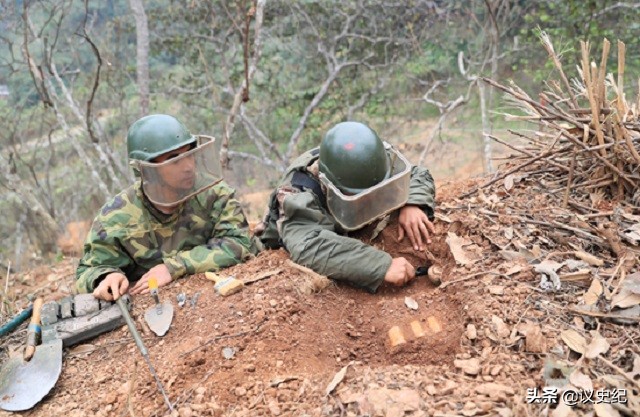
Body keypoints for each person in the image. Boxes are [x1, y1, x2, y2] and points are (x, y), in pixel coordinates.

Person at [76, 114, 255, 301]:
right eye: (174, 159)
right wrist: (106, 276)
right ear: (145, 169)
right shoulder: (115, 217)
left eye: (189, 154)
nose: (188, 166)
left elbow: (239, 243)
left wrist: (174, 267)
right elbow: (87, 271)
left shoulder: (214, 194)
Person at [257, 121, 436, 293]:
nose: (370, 201)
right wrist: (381, 265)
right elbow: (308, 246)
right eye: (359, 195)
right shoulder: (298, 196)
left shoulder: (370, 161)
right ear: (329, 187)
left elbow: (415, 174)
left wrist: (412, 203)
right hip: (287, 239)